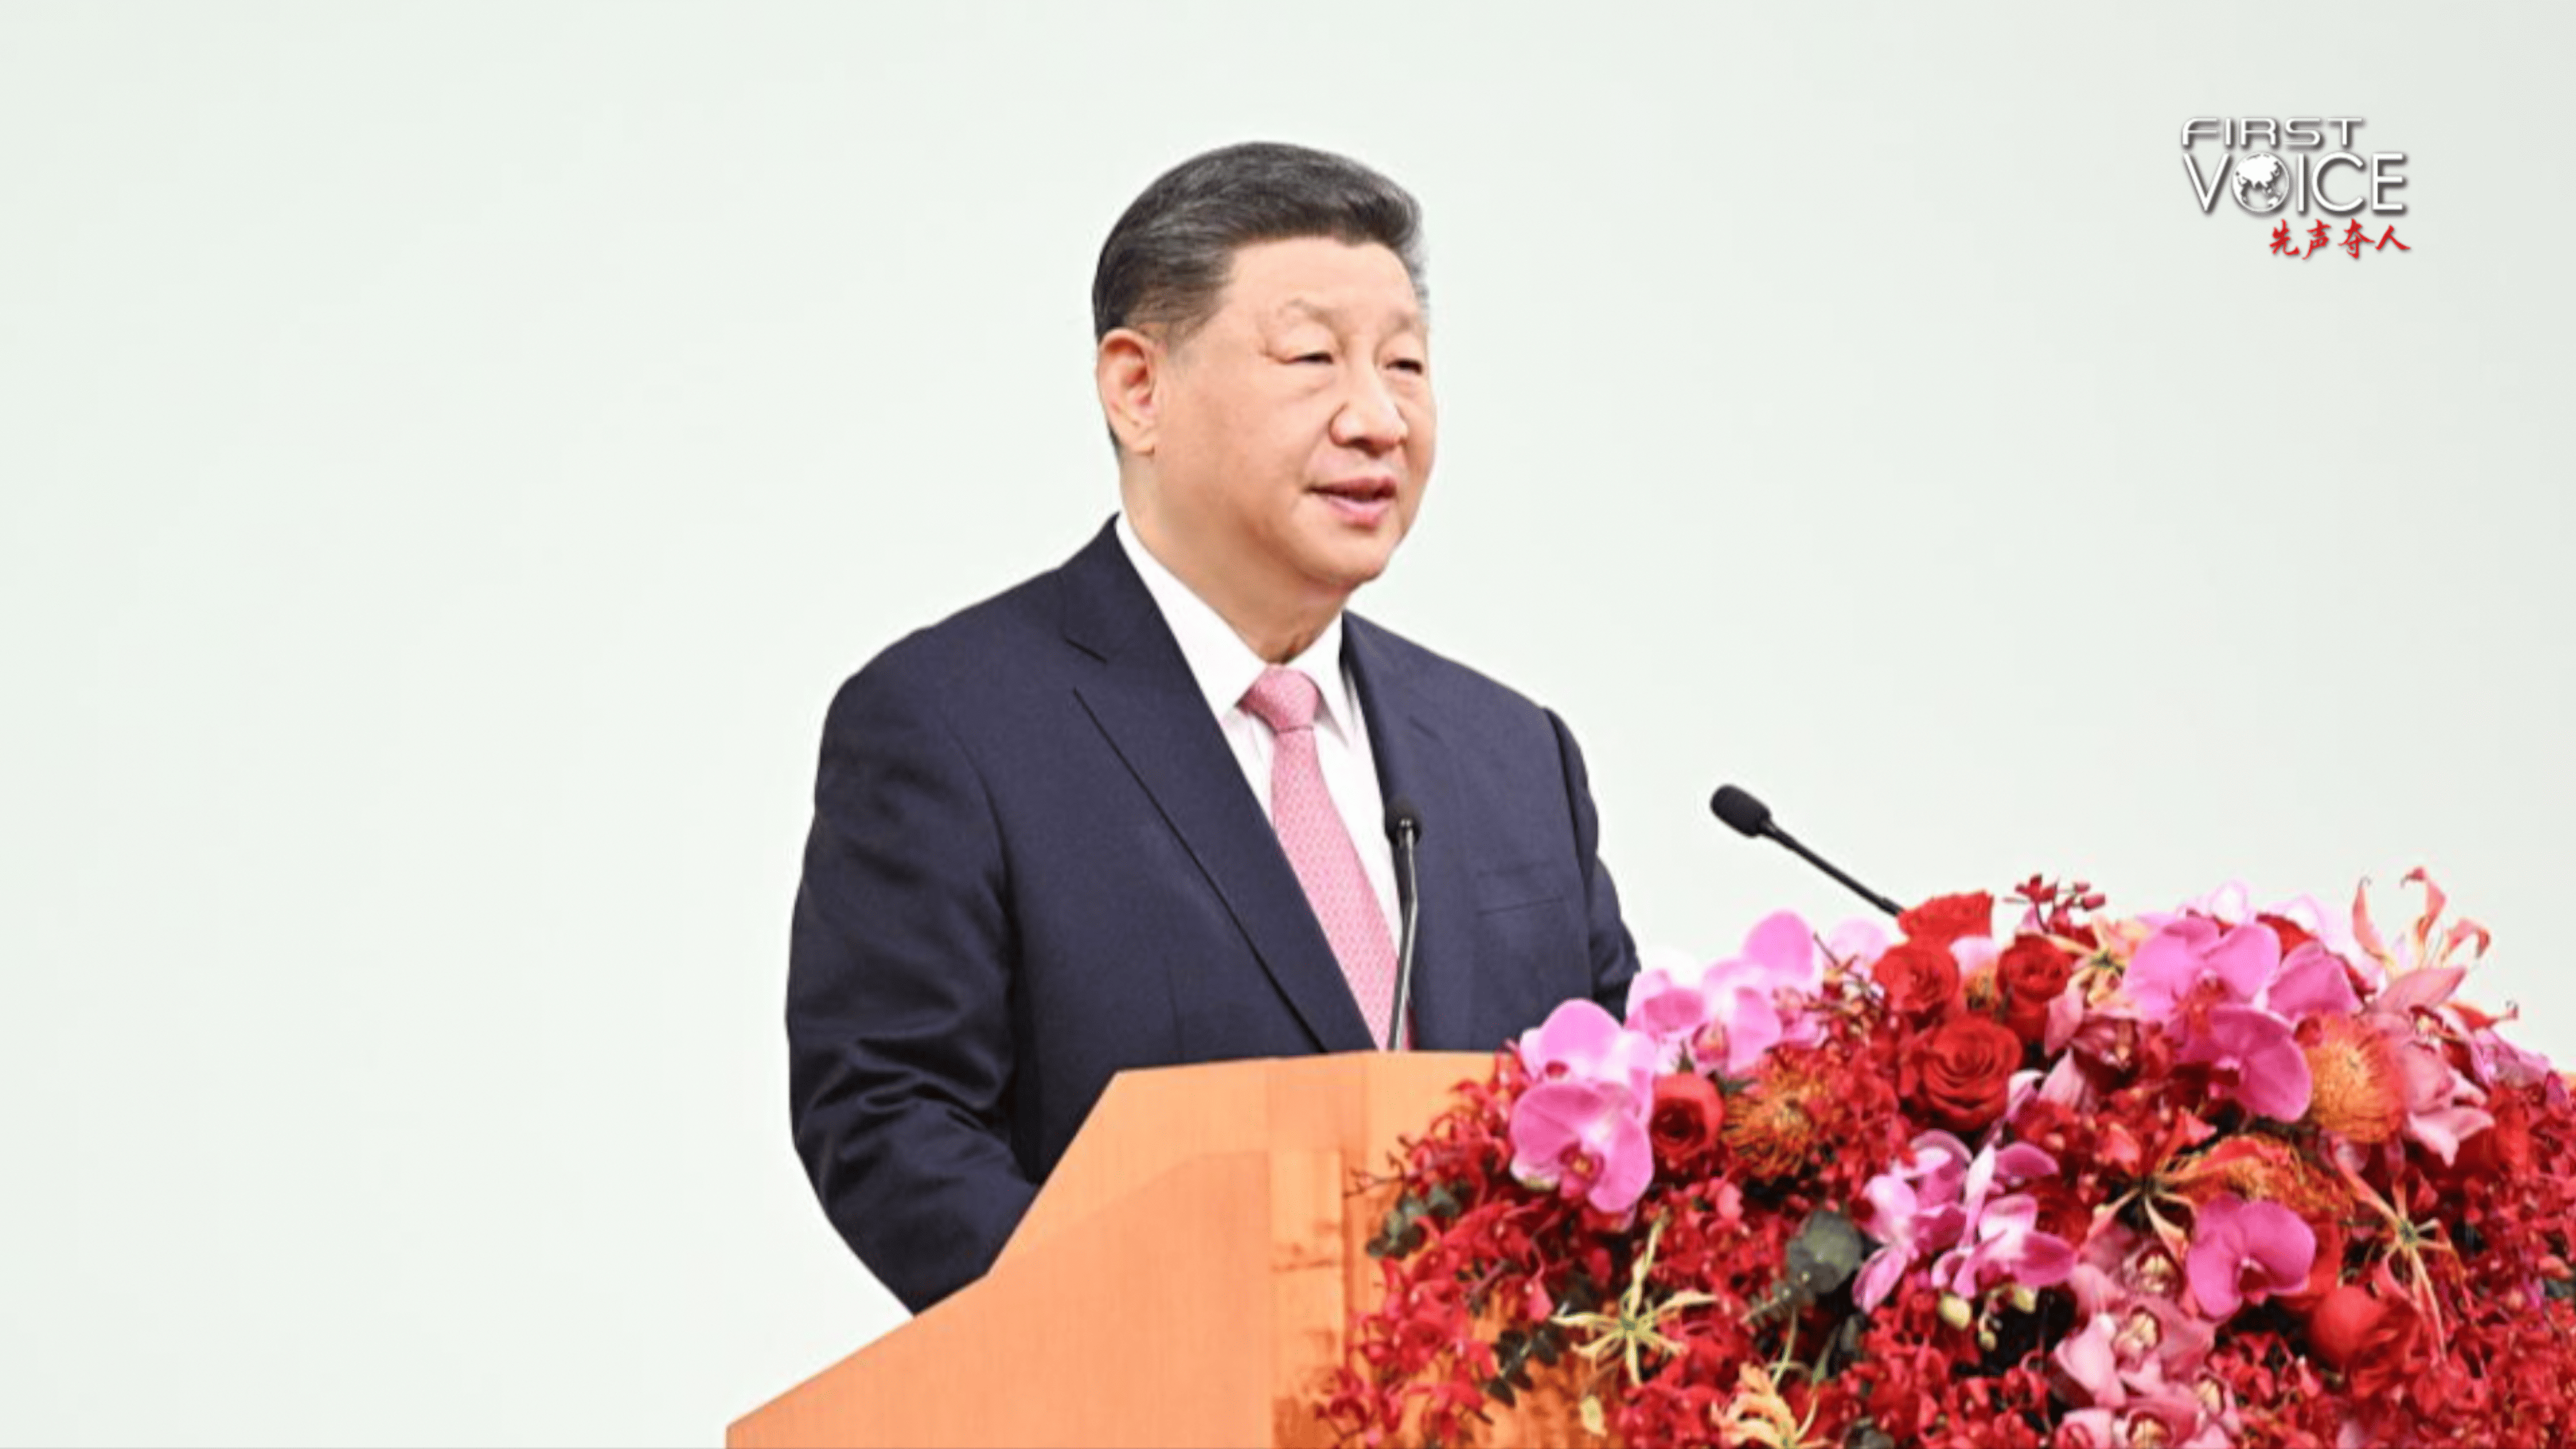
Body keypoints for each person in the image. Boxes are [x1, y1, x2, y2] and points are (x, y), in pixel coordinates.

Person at [788, 141, 1639, 1313]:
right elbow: (889, 1116)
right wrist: (1152, 1329)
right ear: (1139, 389)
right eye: (1312, 359)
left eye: (1407, 363)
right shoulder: (955, 723)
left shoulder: (1511, 752)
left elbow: (1624, 1097)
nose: (1379, 417)